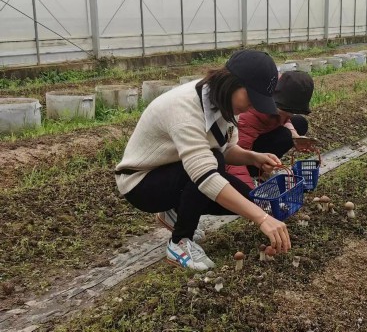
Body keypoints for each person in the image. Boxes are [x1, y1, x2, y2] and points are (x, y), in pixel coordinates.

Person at [114, 50, 291, 271]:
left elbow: (226, 149)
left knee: (247, 198)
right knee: (214, 167)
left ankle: (174, 212)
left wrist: (252, 157)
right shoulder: (185, 108)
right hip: (141, 184)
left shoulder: (226, 103)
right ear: (233, 82)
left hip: (174, 171)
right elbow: (204, 175)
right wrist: (262, 219)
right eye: (251, 98)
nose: (252, 107)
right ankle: (179, 242)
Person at [227, 70, 314, 188]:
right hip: (239, 150)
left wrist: (296, 137)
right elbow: (234, 159)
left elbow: (285, 118)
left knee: (300, 123)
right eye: (283, 112)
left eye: (291, 112)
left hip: (262, 131)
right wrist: (248, 192)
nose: (286, 117)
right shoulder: (249, 115)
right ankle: (254, 171)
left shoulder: (282, 90)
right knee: (284, 135)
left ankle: (262, 167)